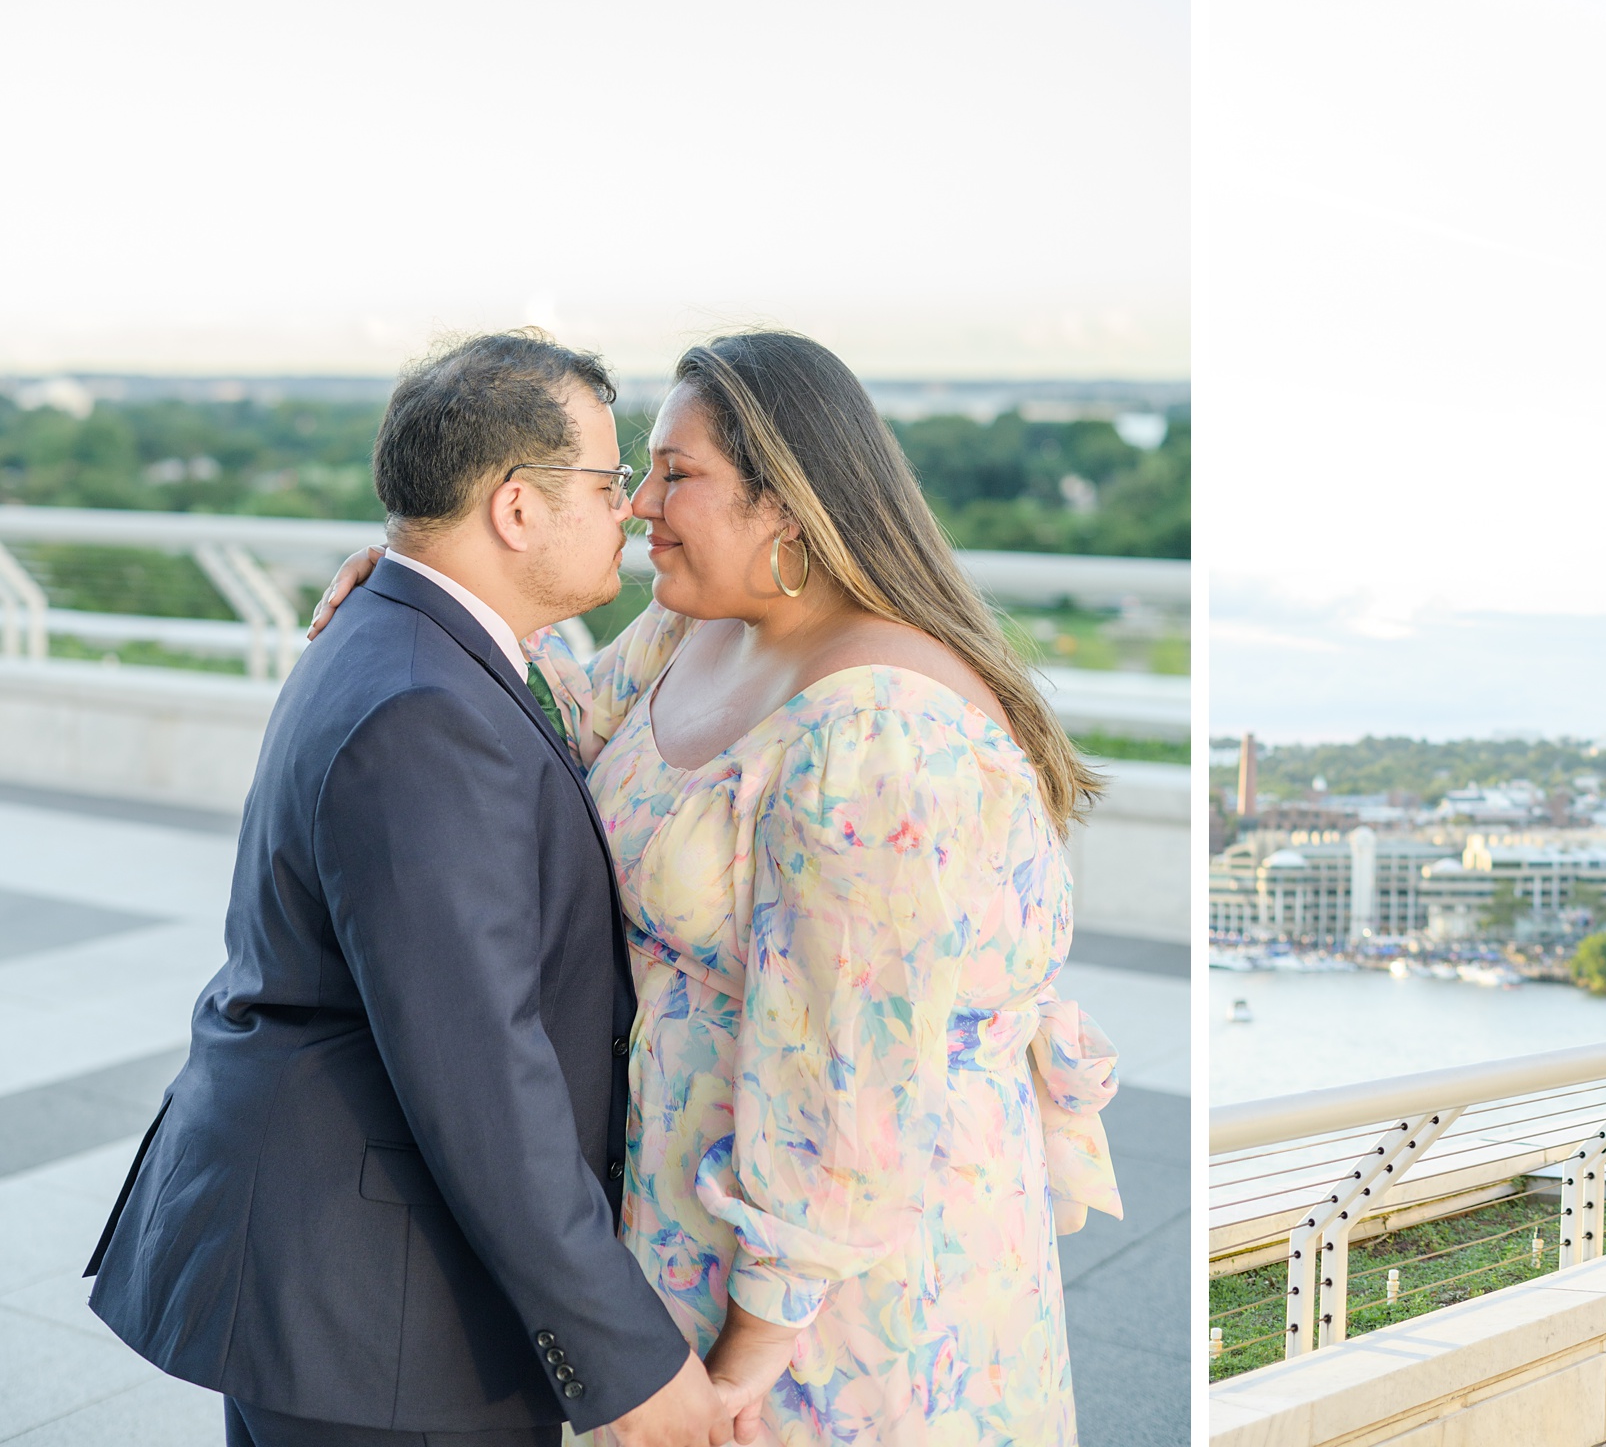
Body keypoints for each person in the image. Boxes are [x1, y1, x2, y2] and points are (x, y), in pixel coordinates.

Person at [315, 329, 1121, 1446]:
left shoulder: (879, 733)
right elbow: (567, 726)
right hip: (692, 1232)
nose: (642, 504)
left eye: (675, 473)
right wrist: (434, 576)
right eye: (640, 471)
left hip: (838, 1299)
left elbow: (849, 1086)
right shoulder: (694, 627)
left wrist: (745, 1361)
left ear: (785, 503)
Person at [87, 333, 741, 1447]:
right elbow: (483, 1075)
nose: (629, 508)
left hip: (340, 1272)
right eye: (607, 479)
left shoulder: (413, 638)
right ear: (516, 508)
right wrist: (625, 1357)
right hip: (379, 1309)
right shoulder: (422, 706)